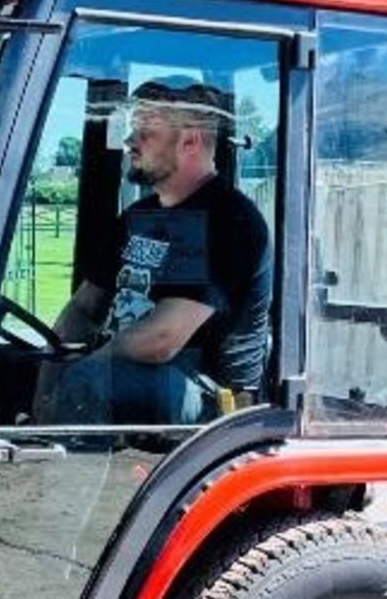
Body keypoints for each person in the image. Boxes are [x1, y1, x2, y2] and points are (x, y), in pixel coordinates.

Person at [40, 77, 271, 424]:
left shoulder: (229, 220)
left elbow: (162, 338)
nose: (130, 141)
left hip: (209, 403)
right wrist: (48, 376)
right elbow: (85, 305)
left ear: (190, 140)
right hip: (140, 375)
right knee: (17, 369)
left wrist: (87, 366)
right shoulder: (138, 217)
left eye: (146, 131)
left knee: (92, 379)